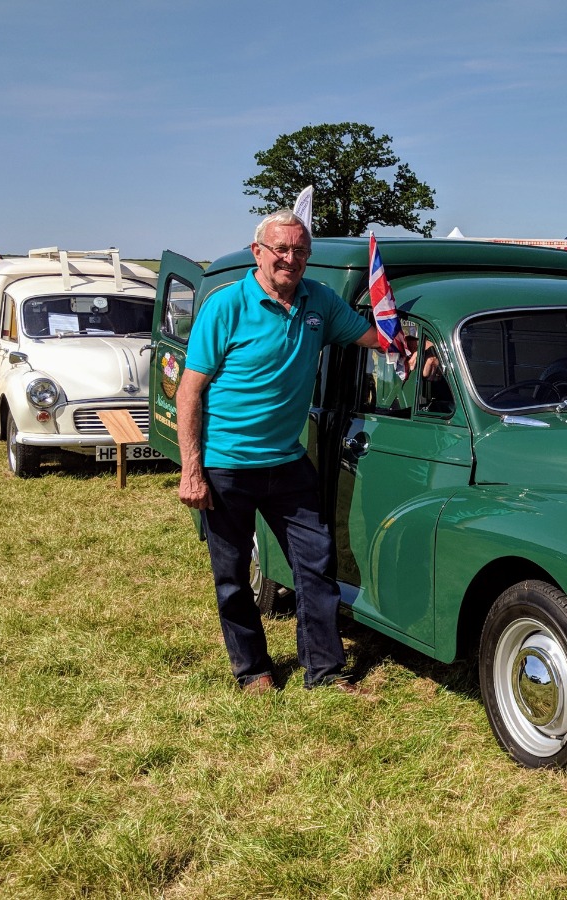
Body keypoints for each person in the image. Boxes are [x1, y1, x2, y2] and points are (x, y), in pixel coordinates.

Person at [177, 209, 382, 695]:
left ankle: (325, 670)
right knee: (231, 577)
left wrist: (411, 349)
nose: (291, 259)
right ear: (259, 253)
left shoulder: (320, 302)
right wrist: (192, 470)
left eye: (300, 251)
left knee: (316, 566)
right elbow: (189, 392)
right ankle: (253, 671)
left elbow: (371, 336)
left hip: (288, 462)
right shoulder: (226, 307)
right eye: (281, 250)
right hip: (227, 465)